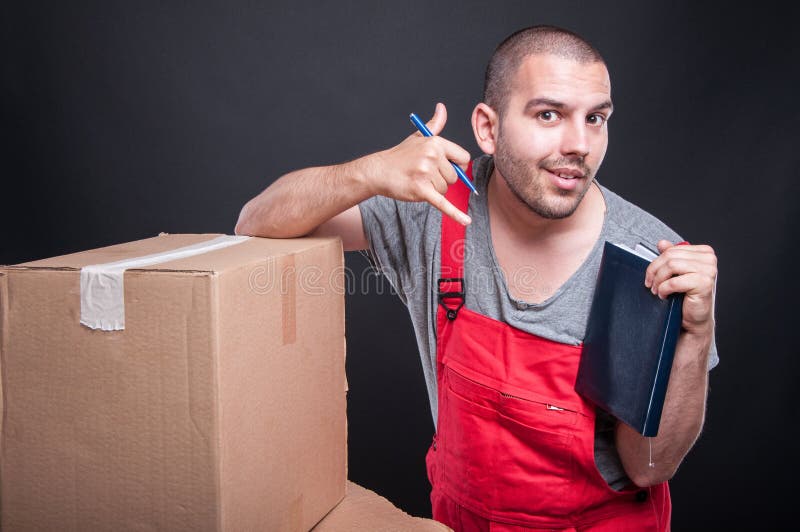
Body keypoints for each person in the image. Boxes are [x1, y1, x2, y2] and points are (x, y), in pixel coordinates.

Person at [235, 25, 718, 531]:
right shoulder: (432, 212)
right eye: (549, 114)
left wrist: (695, 335)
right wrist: (370, 171)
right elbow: (256, 222)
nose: (580, 144)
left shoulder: (651, 261)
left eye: (595, 118)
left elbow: (648, 467)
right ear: (488, 128)